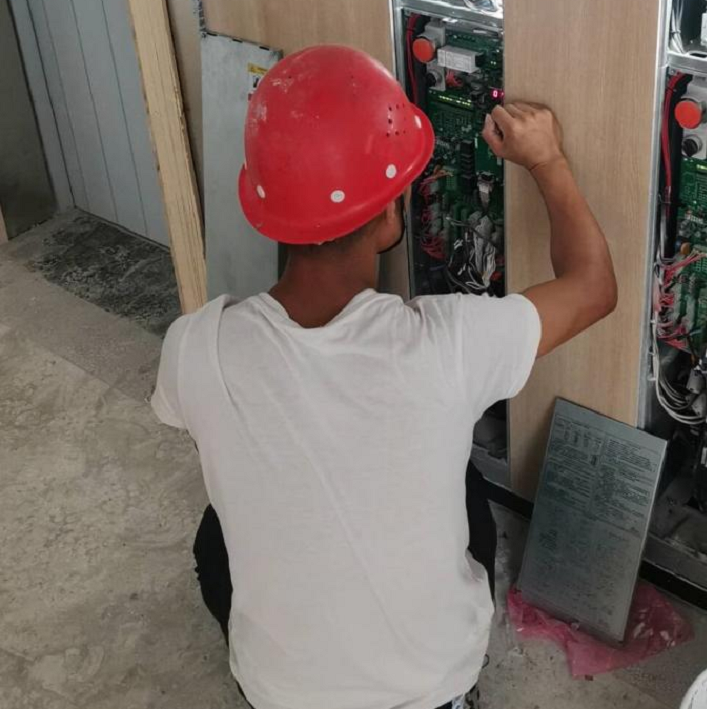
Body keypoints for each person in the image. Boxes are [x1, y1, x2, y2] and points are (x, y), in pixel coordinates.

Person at [151, 45, 616, 709]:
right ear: (391, 208)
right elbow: (594, 287)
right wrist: (547, 160)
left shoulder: (195, 348)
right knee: (462, 477)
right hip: (431, 688)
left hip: (277, 695)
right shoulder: (448, 344)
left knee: (217, 526)